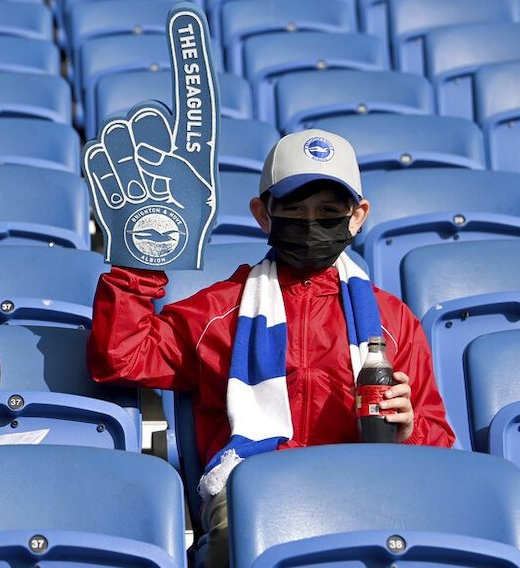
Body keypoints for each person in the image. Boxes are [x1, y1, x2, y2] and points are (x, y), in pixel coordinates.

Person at [87, 128, 454, 565]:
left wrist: (409, 431)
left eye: (328, 211)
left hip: (368, 487)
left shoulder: (392, 320)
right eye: (295, 211)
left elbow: (440, 444)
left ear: (357, 217)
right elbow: (121, 356)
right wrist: (136, 258)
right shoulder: (219, 311)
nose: (311, 223)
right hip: (253, 491)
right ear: (264, 214)